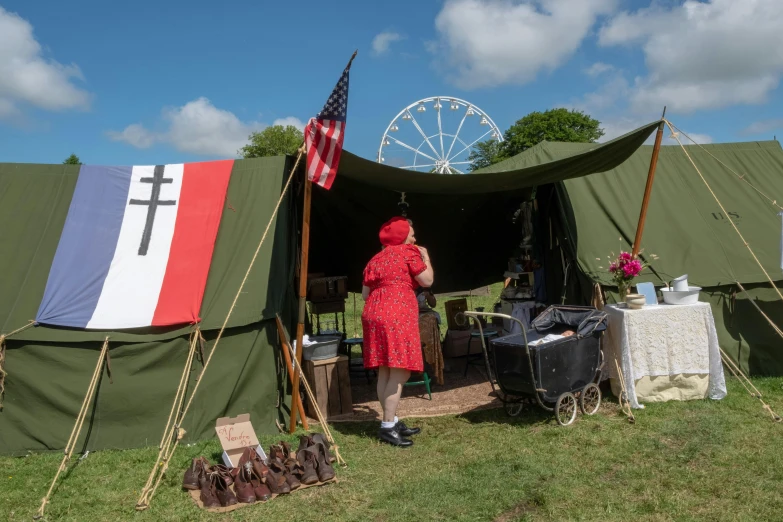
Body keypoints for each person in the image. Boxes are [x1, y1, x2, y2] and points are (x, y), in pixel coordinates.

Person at [361, 217, 434, 447]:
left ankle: (392, 419)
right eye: (411, 234)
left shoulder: (375, 258)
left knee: (385, 370)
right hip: (396, 315)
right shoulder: (408, 252)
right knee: (400, 372)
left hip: (374, 314)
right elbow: (427, 280)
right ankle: (387, 426)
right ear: (402, 237)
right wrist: (426, 257)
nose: (414, 238)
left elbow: (365, 294)